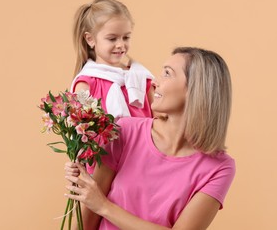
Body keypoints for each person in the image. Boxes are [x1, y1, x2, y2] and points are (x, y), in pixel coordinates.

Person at [64, 47, 236, 229]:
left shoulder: (219, 168)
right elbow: (86, 220)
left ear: (195, 88)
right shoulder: (124, 131)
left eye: (167, 74)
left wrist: (103, 206)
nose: (155, 82)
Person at [70, 0, 155, 174]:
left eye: (126, 37)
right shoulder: (86, 84)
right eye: (112, 38)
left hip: (145, 164)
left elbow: (161, 120)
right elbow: (81, 135)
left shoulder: (141, 77)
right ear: (90, 39)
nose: (121, 45)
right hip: (104, 168)